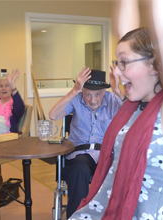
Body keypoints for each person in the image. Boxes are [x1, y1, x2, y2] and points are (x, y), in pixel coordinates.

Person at [69, 0, 163, 219]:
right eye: (117, 63)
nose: (116, 72)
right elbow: (126, 34)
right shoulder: (135, 106)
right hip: (107, 209)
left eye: (124, 63)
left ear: (155, 65)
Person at [49, 67, 122, 219]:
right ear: (82, 91)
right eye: (88, 94)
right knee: (79, 169)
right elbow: (53, 115)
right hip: (79, 155)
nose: (92, 99)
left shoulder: (112, 100)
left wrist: (118, 92)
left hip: (106, 155)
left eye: (97, 94)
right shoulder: (76, 99)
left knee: (117, 171)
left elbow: (133, 116)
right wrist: (75, 90)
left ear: (104, 92)